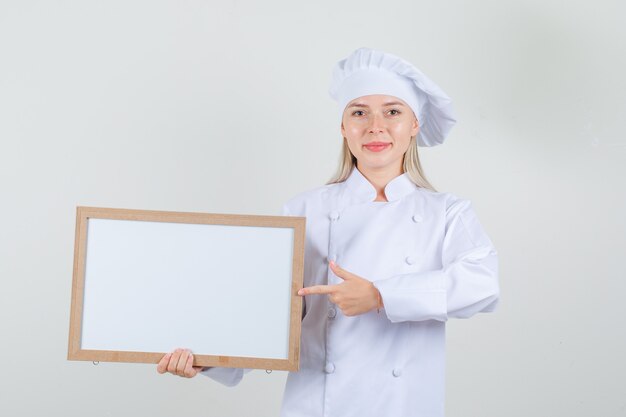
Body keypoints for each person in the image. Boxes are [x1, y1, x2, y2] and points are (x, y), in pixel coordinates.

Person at [156, 47, 500, 417]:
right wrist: (208, 360)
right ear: (343, 126)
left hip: (404, 405)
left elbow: (482, 284)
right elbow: (269, 313)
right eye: (359, 113)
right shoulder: (304, 210)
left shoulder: (446, 212)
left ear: (414, 124)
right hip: (316, 405)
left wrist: (380, 295)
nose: (375, 127)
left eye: (393, 112)